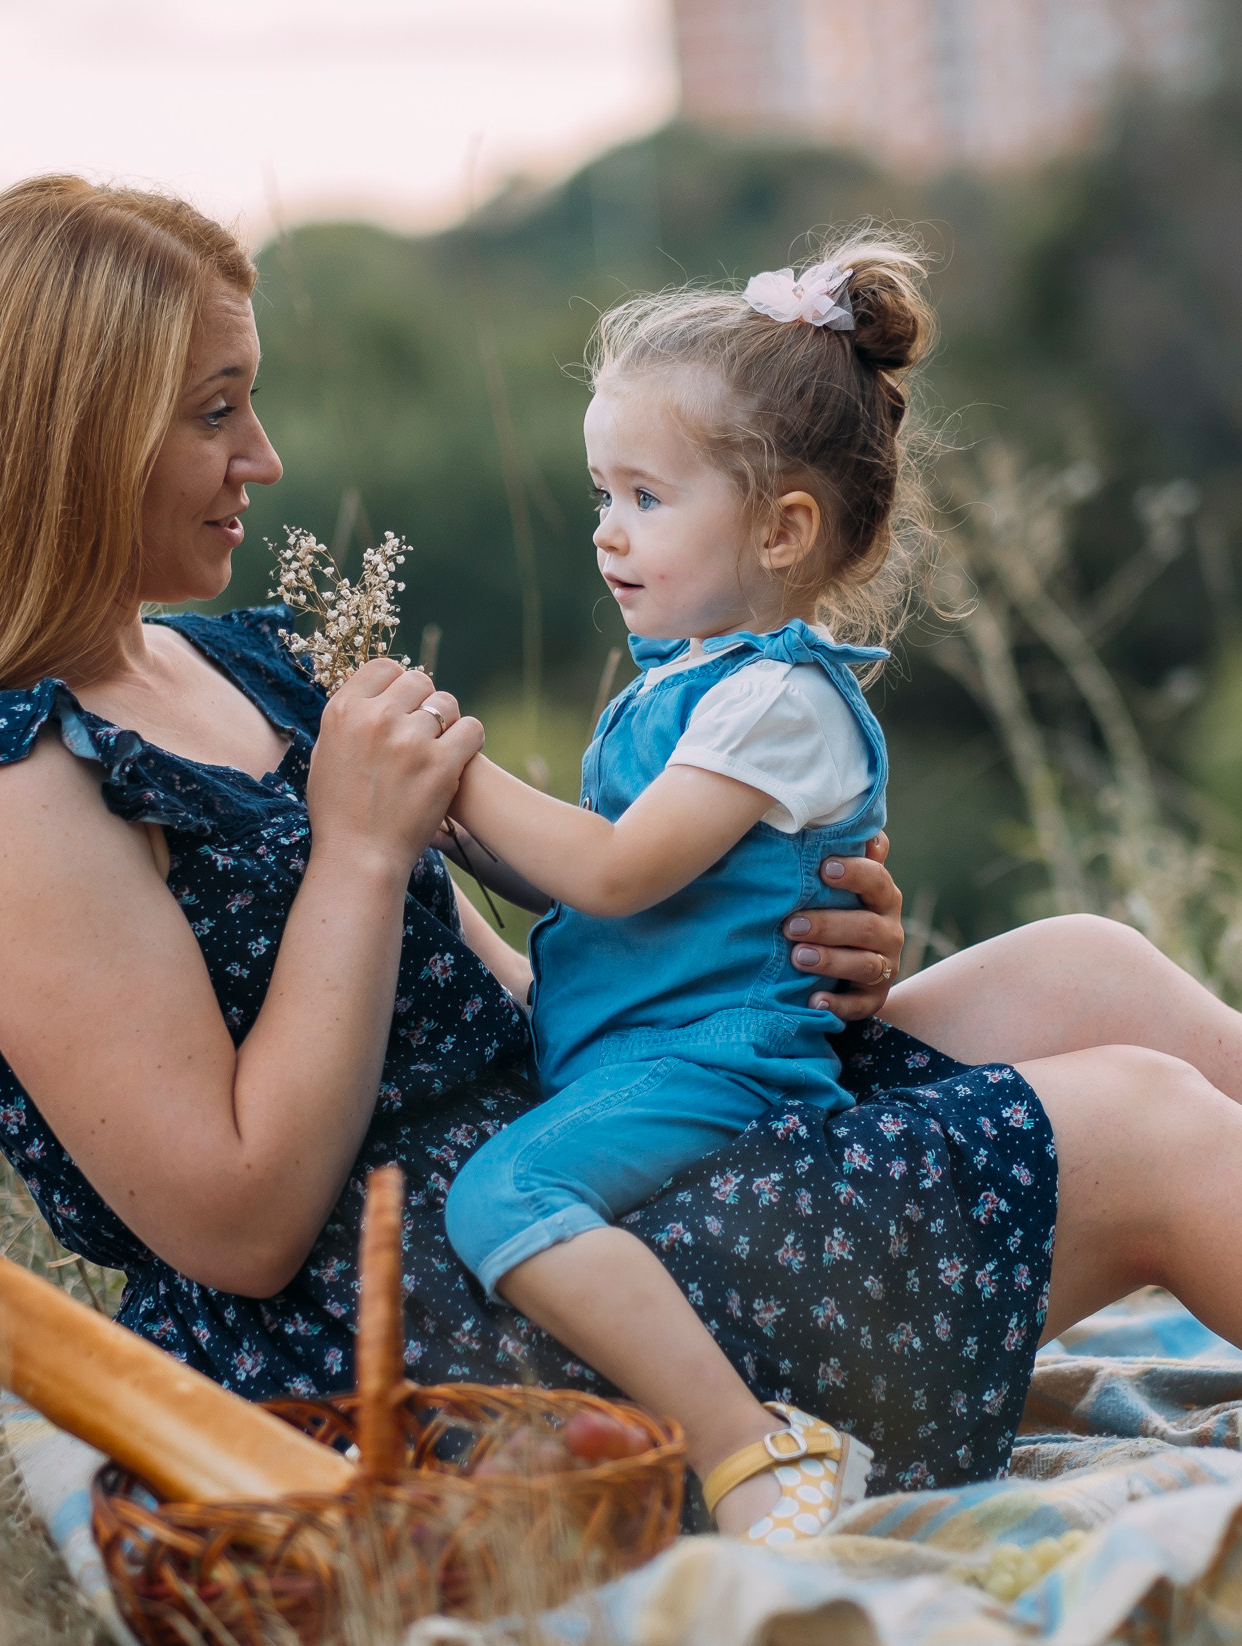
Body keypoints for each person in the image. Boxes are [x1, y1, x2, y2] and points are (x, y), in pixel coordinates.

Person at [0, 174, 1242, 1533]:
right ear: (62, 441)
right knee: (1131, 1127)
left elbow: (482, 986)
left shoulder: (215, 663)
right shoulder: (4, 789)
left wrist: (770, 953)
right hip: (453, 1320)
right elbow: (227, 1217)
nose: (267, 459)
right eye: (217, 412)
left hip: (574, 1134)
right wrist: (352, 858)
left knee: (1081, 972)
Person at [429, 239, 1019, 1543]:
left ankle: (756, 1450)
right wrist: (447, 839)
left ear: (780, 528)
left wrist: (451, 772)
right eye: (602, 492)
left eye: (646, 494)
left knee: (502, 1201)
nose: (607, 528)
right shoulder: (690, 685)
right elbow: (585, 889)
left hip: (724, 1060)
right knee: (514, 1193)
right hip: (662, 1051)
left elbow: (615, 871)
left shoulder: (774, 701)